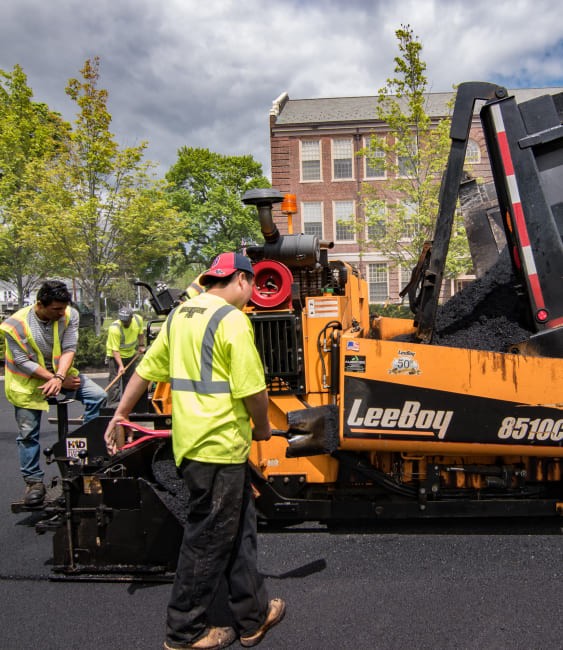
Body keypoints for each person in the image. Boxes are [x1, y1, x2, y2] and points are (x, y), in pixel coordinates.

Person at [104, 252, 285, 650]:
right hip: (219, 447)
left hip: (194, 447)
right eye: (252, 286)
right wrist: (262, 427)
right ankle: (184, 632)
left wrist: (120, 412)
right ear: (242, 280)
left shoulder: (179, 316)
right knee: (208, 539)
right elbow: (253, 390)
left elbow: (145, 370)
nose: (252, 295)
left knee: (240, 531)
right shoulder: (232, 320)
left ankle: (252, 618)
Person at [0, 280, 107, 507]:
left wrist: (59, 377)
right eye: (56, 309)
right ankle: (33, 483)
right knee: (28, 434)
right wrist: (54, 378)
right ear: (40, 304)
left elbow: (69, 348)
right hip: (28, 383)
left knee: (97, 396)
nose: (61, 313)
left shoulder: (69, 315)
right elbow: (21, 361)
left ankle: (87, 456)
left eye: (64, 308)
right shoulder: (14, 325)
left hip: (62, 375)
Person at [105, 306, 145, 406]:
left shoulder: (138, 320)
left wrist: (141, 345)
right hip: (115, 357)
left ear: (131, 317)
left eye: (127, 321)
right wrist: (121, 366)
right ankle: (113, 404)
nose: (125, 323)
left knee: (129, 380)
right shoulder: (114, 329)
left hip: (130, 355)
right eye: (123, 321)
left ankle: (127, 403)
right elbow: (115, 350)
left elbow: (140, 333)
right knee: (115, 382)